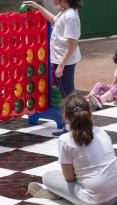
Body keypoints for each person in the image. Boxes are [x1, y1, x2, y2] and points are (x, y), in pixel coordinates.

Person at [28, 95, 117, 204]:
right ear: (90, 114)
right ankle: (63, 193)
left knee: (48, 177)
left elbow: (69, 178)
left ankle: (59, 193)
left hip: (97, 200)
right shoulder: (101, 131)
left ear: (65, 117)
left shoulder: (65, 140)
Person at [24, 0, 81, 136]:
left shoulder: (70, 16)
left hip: (64, 61)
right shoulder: (65, 12)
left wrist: (61, 65)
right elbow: (54, 21)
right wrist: (38, 7)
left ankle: (74, 126)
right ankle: (74, 125)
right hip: (60, 59)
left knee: (68, 95)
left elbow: (72, 44)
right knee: (66, 94)